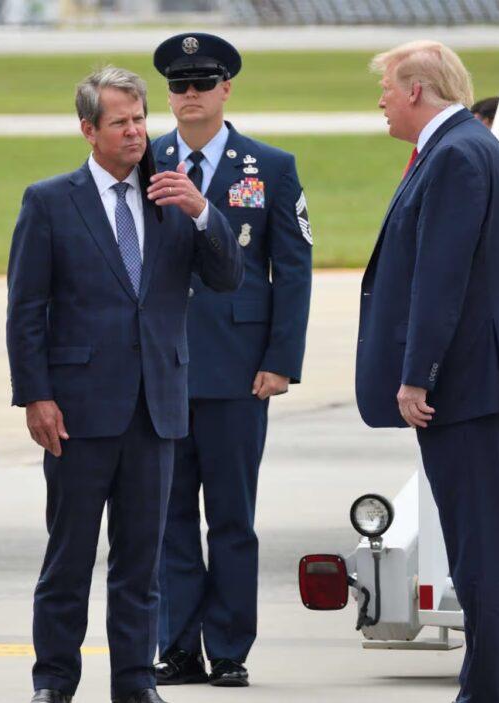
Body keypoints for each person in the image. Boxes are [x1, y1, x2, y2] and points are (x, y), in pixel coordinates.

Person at [6, 66, 243, 703]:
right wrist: (35, 395)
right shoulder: (50, 201)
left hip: (155, 411)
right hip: (78, 413)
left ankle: (135, 685)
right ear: (89, 130)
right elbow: (26, 309)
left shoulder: (173, 196)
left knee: (141, 566)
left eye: (140, 119)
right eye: (121, 122)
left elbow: (228, 277)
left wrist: (202, 211)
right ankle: (54, 683)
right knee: (69, 561)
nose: (137, 132)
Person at [355, 42, 499, 703]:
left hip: (467, 386)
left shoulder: (458, 156)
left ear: (415, 90)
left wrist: (417, 375)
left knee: (481, 556)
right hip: (479, 383)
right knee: (483, 552)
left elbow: (442, 278)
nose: (380, 99)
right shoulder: (463, 148)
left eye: (386, 86)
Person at [148, 32, 312, 689]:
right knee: (168, 516)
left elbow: (293, 270)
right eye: (179, 86)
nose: (190, 96)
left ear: (226, 89)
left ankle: (231, 646)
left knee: (232, 515)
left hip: (238, 367)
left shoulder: (267, 164)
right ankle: (179, 643)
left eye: (202, 83)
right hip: (162, 368)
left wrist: (282, 359)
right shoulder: (146, 160)